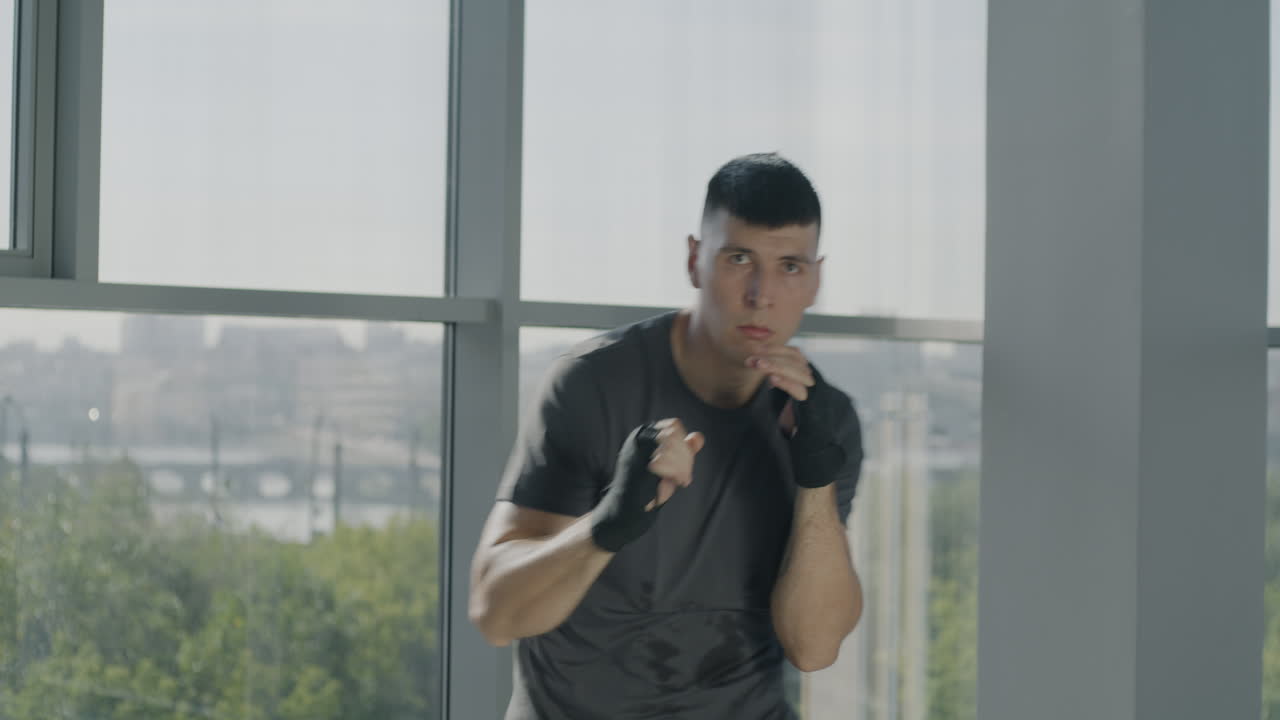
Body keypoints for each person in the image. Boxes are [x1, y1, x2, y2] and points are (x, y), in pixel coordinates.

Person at [469, 153, 865, 720]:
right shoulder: (595, 384)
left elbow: (815, 646)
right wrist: (608, 526)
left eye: (790, 267)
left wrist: (816, 478)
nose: (762, 293)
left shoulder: (824, 417)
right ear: (694, 260)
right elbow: (496, 613)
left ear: (815, 281)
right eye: (738, 259)